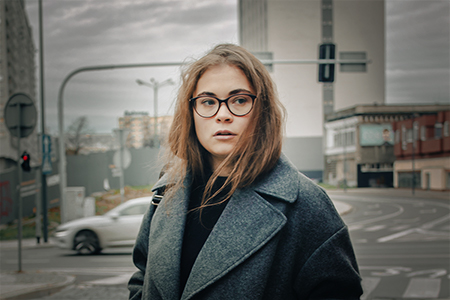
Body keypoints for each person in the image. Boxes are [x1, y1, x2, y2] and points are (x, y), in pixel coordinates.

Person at [128, 43, 363, 300]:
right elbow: (143, 275)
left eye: (239, 100)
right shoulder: (167, 191)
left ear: (262, 111)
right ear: (190, 112)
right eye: (208, 102)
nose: (223, 114)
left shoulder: (306, 203)